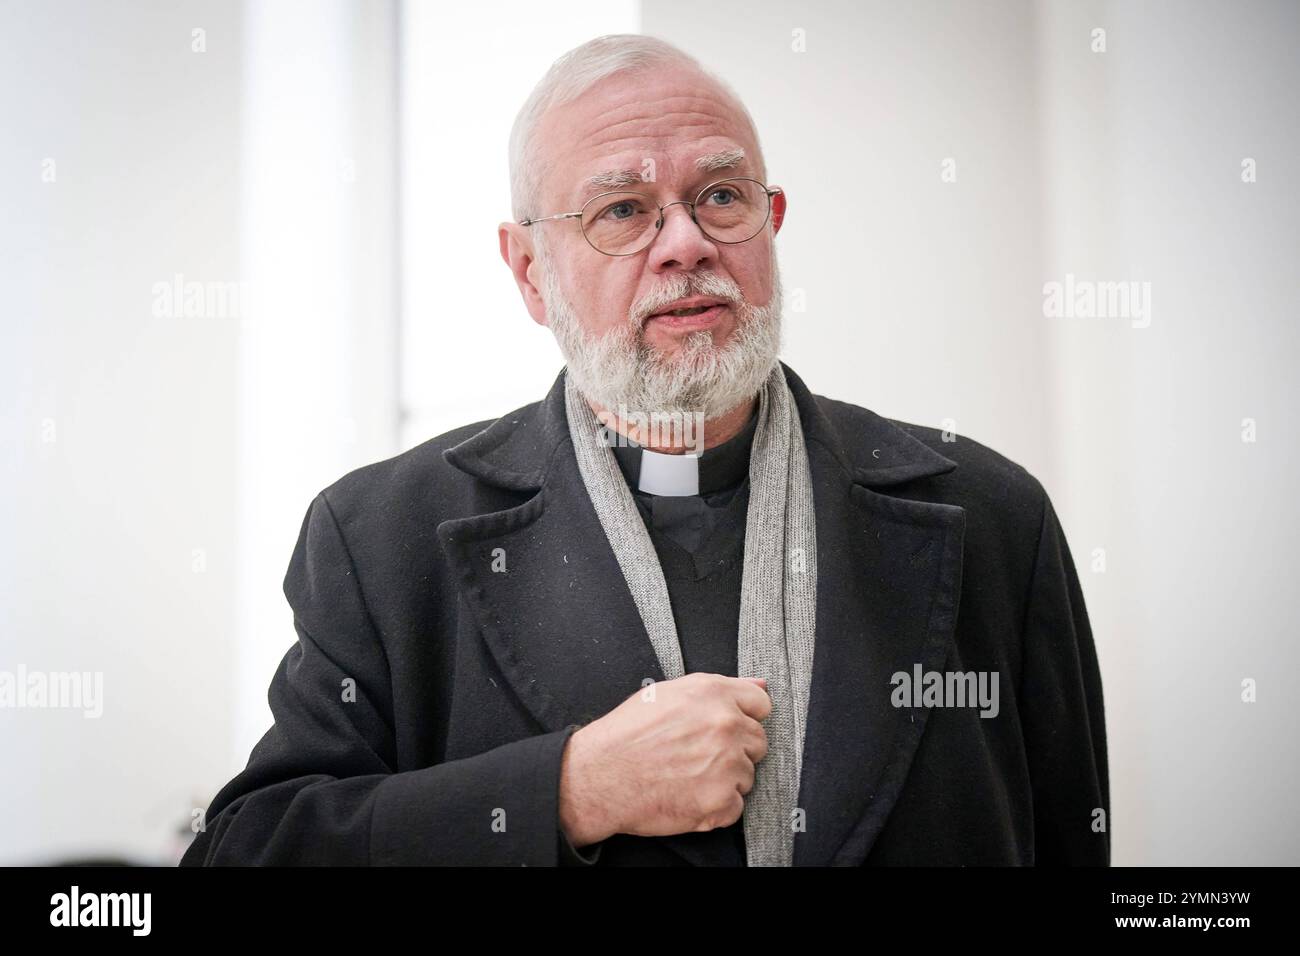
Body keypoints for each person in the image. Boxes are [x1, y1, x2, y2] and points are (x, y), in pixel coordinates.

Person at [180, 34, 1108, 867]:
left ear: (771, 222)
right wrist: (570, 792)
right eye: (622, 210)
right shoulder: (382, 539)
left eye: (720, 196)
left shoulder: (993, 520)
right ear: (529, 272)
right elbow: (249, 850)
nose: (686, 243)